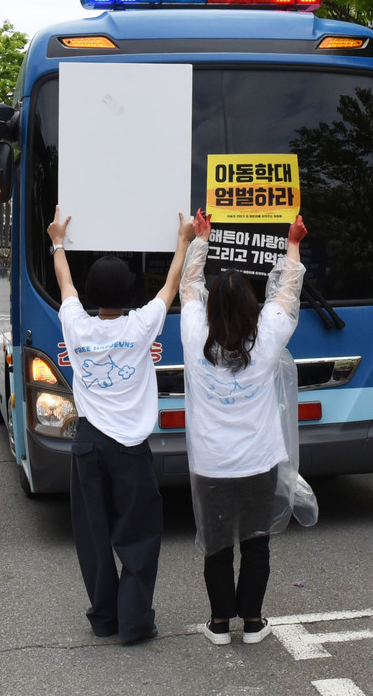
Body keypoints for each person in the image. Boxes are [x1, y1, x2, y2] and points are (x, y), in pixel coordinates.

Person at [49, 207, 194, 644]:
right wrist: (184, 239)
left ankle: (105, 618)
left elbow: (65, 283)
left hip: (88, 445)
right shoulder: (141, 325)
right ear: (131, 293)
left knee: (93, 537)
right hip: (131, 447)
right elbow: (171, 286)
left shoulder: (76, 325)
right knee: (139, 534)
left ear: (94, 295)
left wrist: (58, 240)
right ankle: (134, 623)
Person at [181, 209, 307, 648]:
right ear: (253, 308)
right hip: (258, 463)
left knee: (216, 545)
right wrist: (292, 242)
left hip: (211, 465)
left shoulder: (195, 334)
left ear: (212, 308)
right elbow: (287, 294)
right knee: (256, 544)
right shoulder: (267, 339)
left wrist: (201, 240)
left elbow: (189, 288)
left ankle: (219, 623)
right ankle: (252, 621)